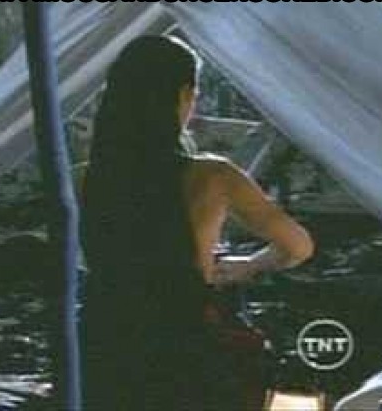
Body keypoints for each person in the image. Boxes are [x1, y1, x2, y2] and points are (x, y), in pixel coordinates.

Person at [79, 35, 314, 410]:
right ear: (184, 95)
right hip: (184, 349)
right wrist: (250, 265)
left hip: (104, 344)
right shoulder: (212, 177)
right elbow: (298, 246)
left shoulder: (82, 179)